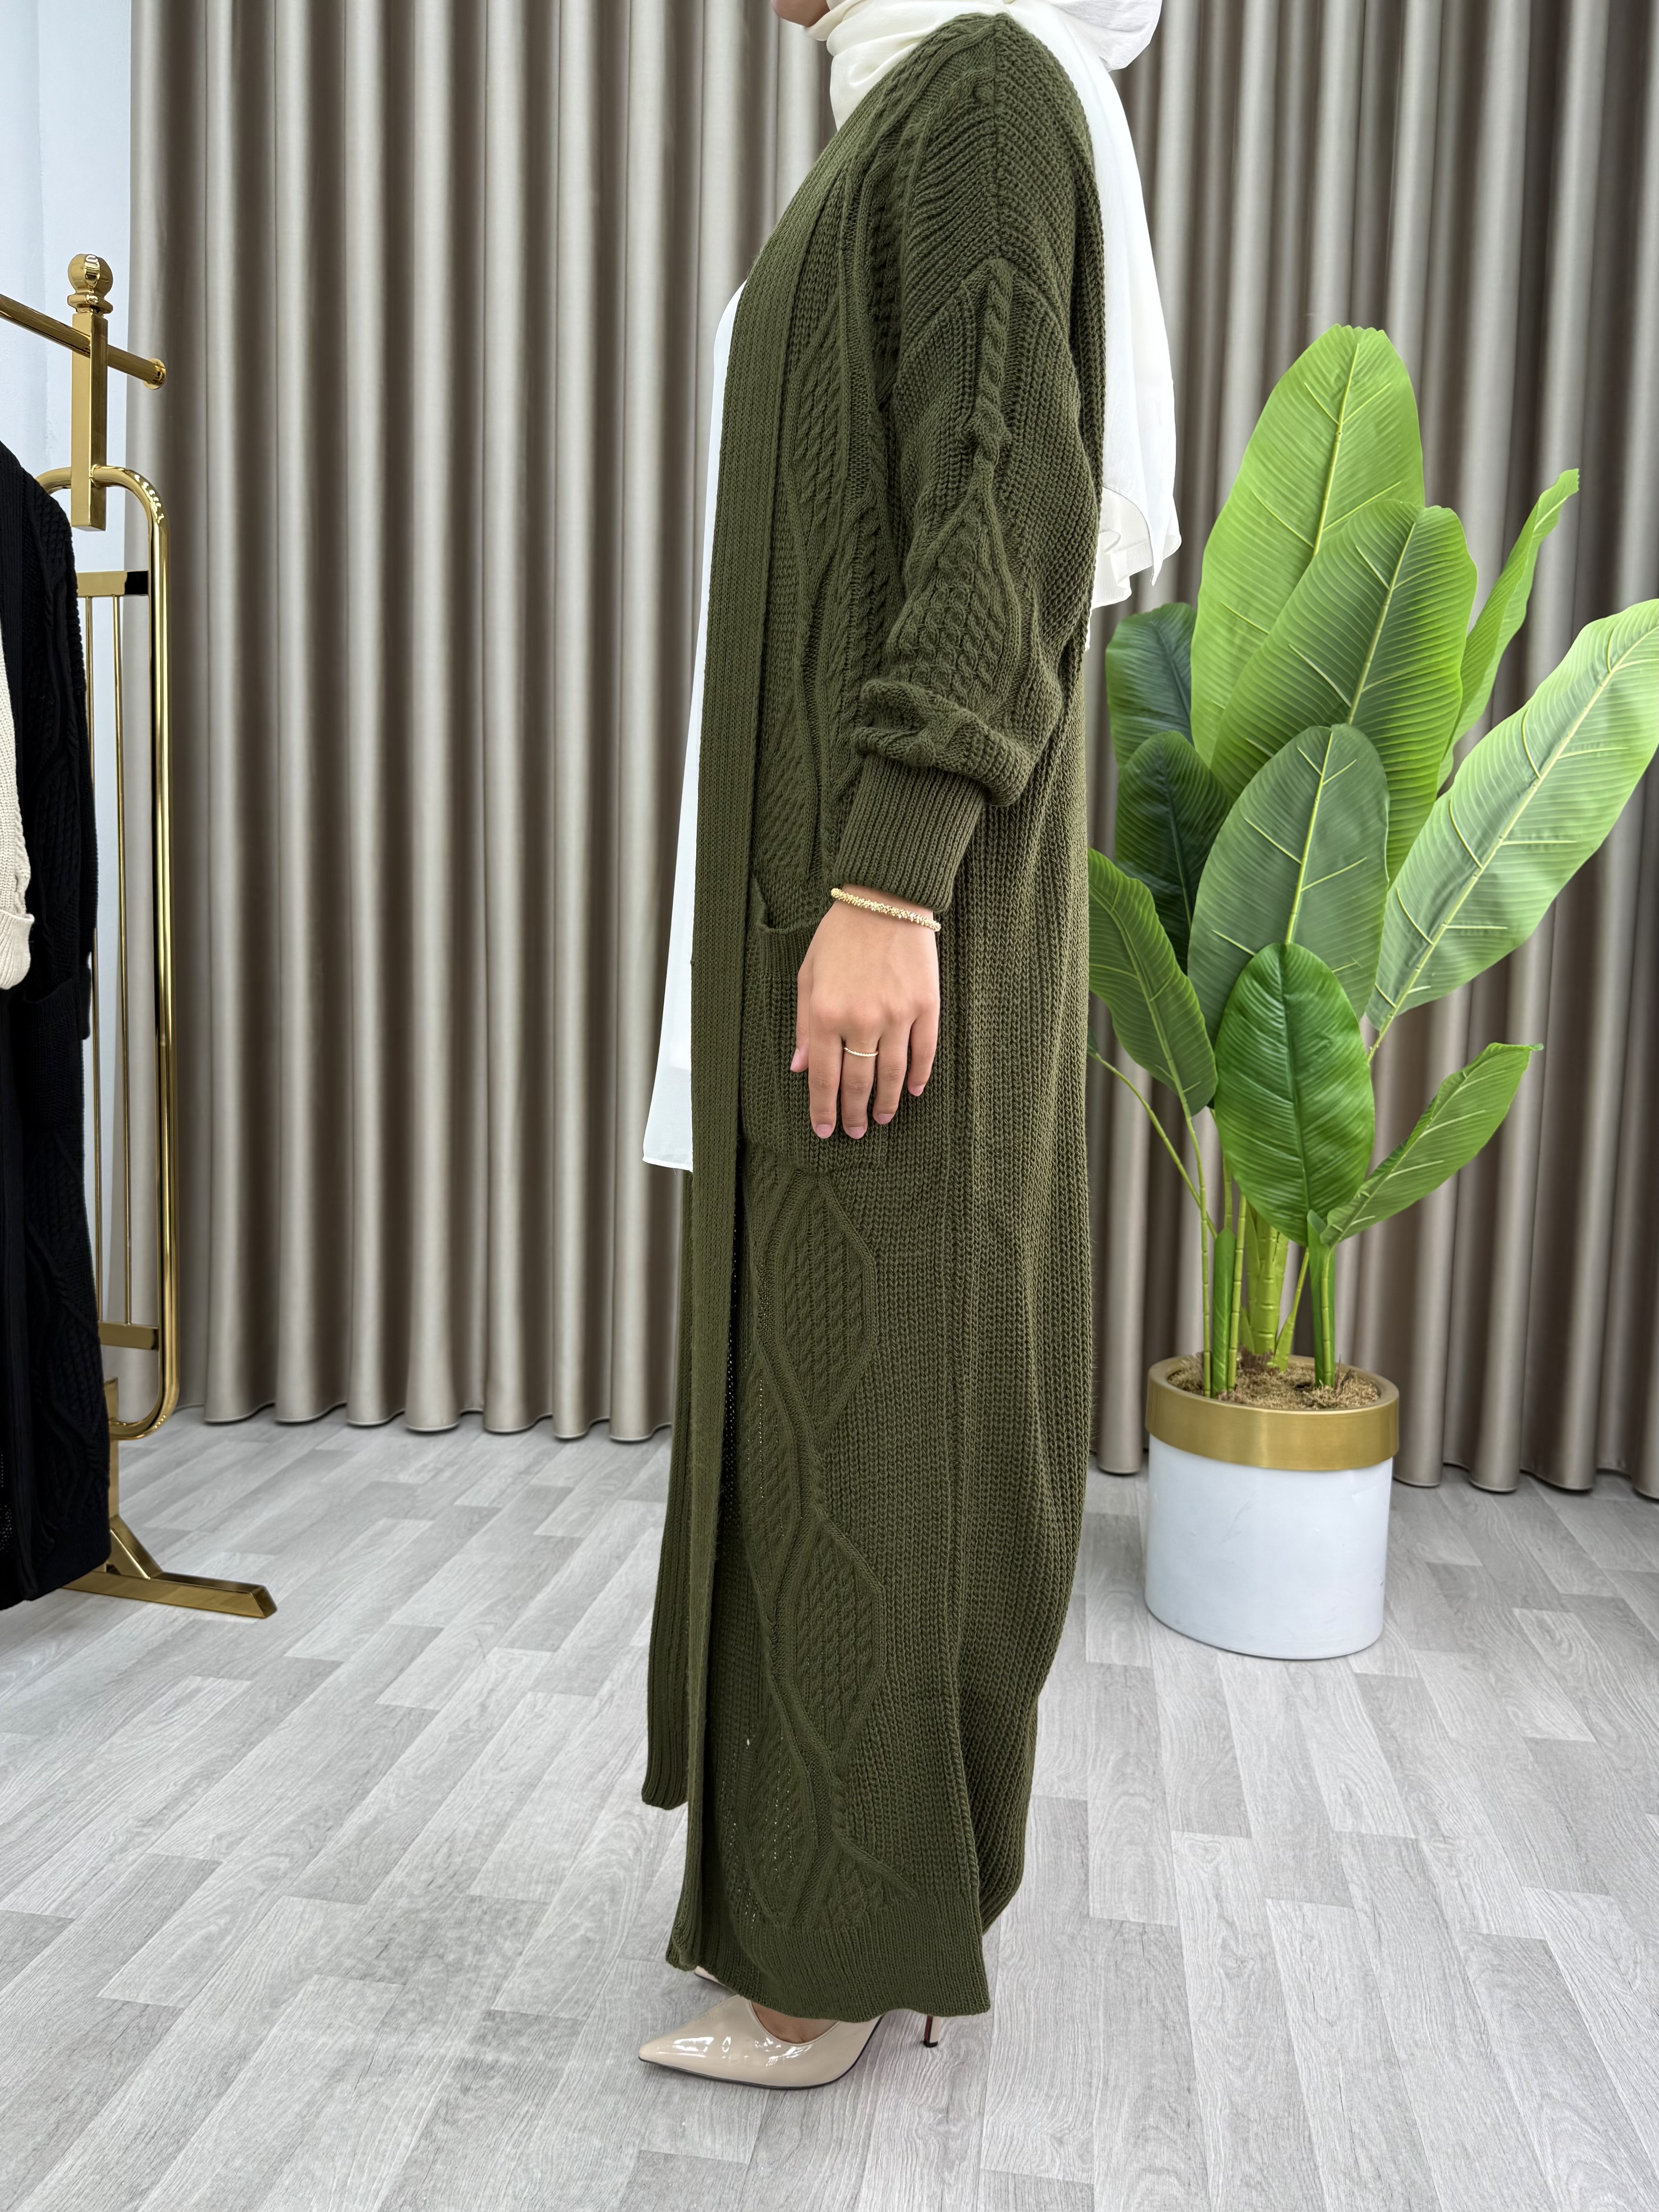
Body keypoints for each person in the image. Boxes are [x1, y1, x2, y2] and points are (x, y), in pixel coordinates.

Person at [638, 0, 1177, 2088]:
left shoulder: (978, 90)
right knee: (844, 1395)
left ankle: (836, 1953)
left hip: (878, 910)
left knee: (873, 1403)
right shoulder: (908, 107)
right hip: (844, 898)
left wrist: (889, 876)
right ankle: (842, 1911)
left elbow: (1008, 491)